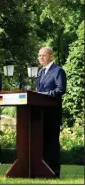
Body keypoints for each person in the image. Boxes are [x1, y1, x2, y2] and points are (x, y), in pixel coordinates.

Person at [36, 47, 67, 177]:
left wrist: (44, 95)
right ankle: (43, 170)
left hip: (52, 113)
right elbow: (38, 91)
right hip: (41, 113)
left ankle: (54, 172)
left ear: (51, 57)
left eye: (43, 55)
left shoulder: (58, 71)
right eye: (39, 56)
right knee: (41, 142)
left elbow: (60, 89)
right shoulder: (40, 72)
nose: (41, 58)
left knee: (52, 143)